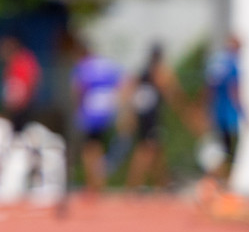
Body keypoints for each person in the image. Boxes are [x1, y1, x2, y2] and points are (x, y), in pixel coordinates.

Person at [122, 43, 180, 190]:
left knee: (157, 149)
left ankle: (161, 182)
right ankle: (135, 183)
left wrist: (129, 113)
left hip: (145, 115)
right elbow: (169, 90)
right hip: (151, 116)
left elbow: (130, 89)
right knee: (147, 149)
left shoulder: (144, 71)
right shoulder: (157, 72)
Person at [70, 44, 122, 194]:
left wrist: (78, 109)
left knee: (88, 149)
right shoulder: (107, 65)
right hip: (106, 112)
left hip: (90, 112)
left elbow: (78, 89)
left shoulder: (84, 67)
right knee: (98, 147)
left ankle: (92, 182)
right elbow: (123, 83)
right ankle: (100, 181)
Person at [204, 34, 245, 182]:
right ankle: (225, 183)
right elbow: (234, 91)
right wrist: (244, 113)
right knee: (231, 151)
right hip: (229, 115)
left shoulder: (216, 61)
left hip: (217, 112)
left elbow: (209, 88)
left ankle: (214, 182)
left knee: (219, 150)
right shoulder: (232, 63)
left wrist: (209, 111)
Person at [0, 36, 41, 130]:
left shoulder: (21, 61)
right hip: (20, 104)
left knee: (20, 131)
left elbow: (22, 84)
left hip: (22, 105)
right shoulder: (16, 61)